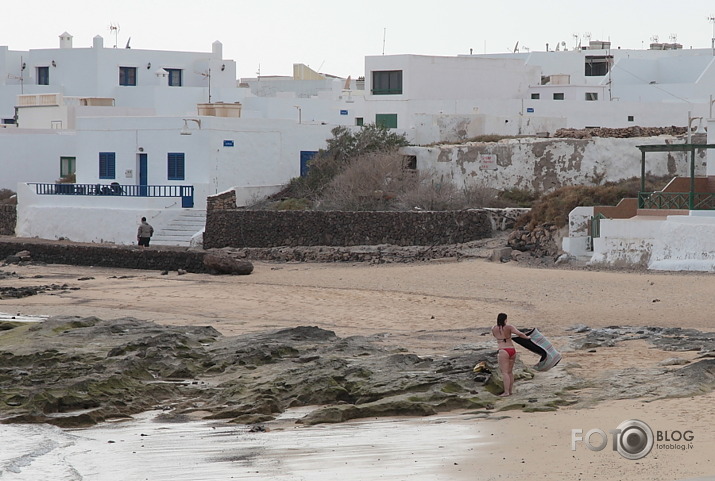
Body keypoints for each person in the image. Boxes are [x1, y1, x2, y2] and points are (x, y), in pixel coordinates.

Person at [491, 312, 530, 397]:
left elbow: (495, 336)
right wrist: (527, 337)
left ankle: (506, 392)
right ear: (505, 319)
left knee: (504, 373)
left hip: (503, 350)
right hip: (512, 349)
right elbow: (519, 333)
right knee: (510, 372)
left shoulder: (494, 328)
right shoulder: (509, 327)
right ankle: (510, 390)